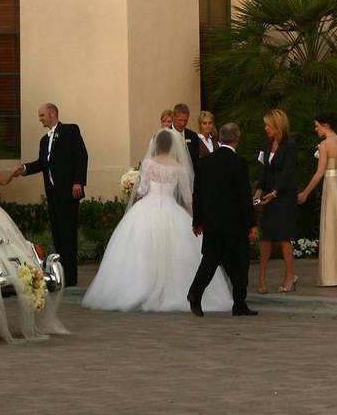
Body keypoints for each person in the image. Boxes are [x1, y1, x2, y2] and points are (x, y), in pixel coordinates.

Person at [83, 129, 233, 313]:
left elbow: (142, 189)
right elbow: (187, 197)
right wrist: (196, 219)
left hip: (146, 209)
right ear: (173, 146)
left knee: (141, 251)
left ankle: (140, 286)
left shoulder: (148, 164)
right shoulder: (179, 167)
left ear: (156, 144)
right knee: (177, 252)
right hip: (172, 210)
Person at [188, 122, 256, 317]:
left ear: (220, 138)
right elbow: (244, 196)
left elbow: (197, 193)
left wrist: (197, 221)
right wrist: (251, 223)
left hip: (212, 222)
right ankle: (239, 303)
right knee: (239, 263)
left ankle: (195, 293)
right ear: (237, 139)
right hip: (235, 223)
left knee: (209, 261)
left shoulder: (204, 162)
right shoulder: (240, 163)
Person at [23, 102, 89, 286]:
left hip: (69, 191)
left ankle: (71, 276)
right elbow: (42, 164)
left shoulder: (70, 130)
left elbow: (81, 156)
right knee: (58, 233)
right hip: (53, 193)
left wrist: (78, 181)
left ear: (52, 114)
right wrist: (24, 169)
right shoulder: (44, 141)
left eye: (42, 115)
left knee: (69, 233)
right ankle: (61, 273)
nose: (40, 119)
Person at [295, 112, 337, 287]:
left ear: (326, 125)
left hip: (332, 186)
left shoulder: (324, 145)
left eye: (317, 126)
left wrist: (305, 192)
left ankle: (332, 275)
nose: (316, 129)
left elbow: (320, 173)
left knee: (331, 227)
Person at [255, 110, 298, 292]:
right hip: (268, 197)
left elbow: (288, 173)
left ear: (277, 126)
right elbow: (263, 170)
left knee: (283, 237)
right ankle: (262, 277)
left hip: (284, 197)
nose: (266, 129)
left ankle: (290, 275)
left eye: (268, 125)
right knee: (266, 237)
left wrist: (275, 192)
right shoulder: (266, 145)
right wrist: (259, 190)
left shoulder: (289, 146)